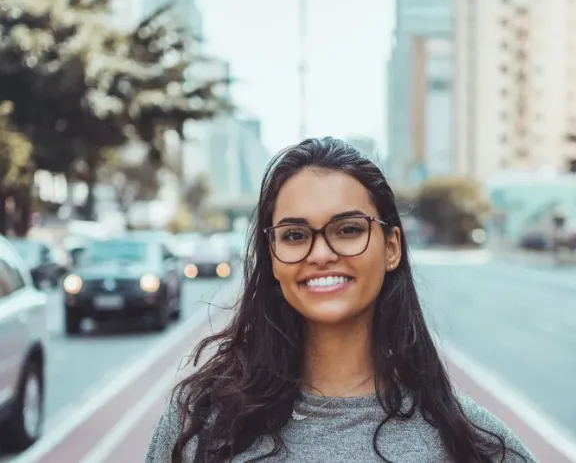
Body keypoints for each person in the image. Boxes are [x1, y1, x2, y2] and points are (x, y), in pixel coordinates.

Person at [146, 137, 536, 463]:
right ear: (273, 255)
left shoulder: (472, 445)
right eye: (295, 235)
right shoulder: (198, 426)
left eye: (348, 229)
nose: (320, 254)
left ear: (392, 247)